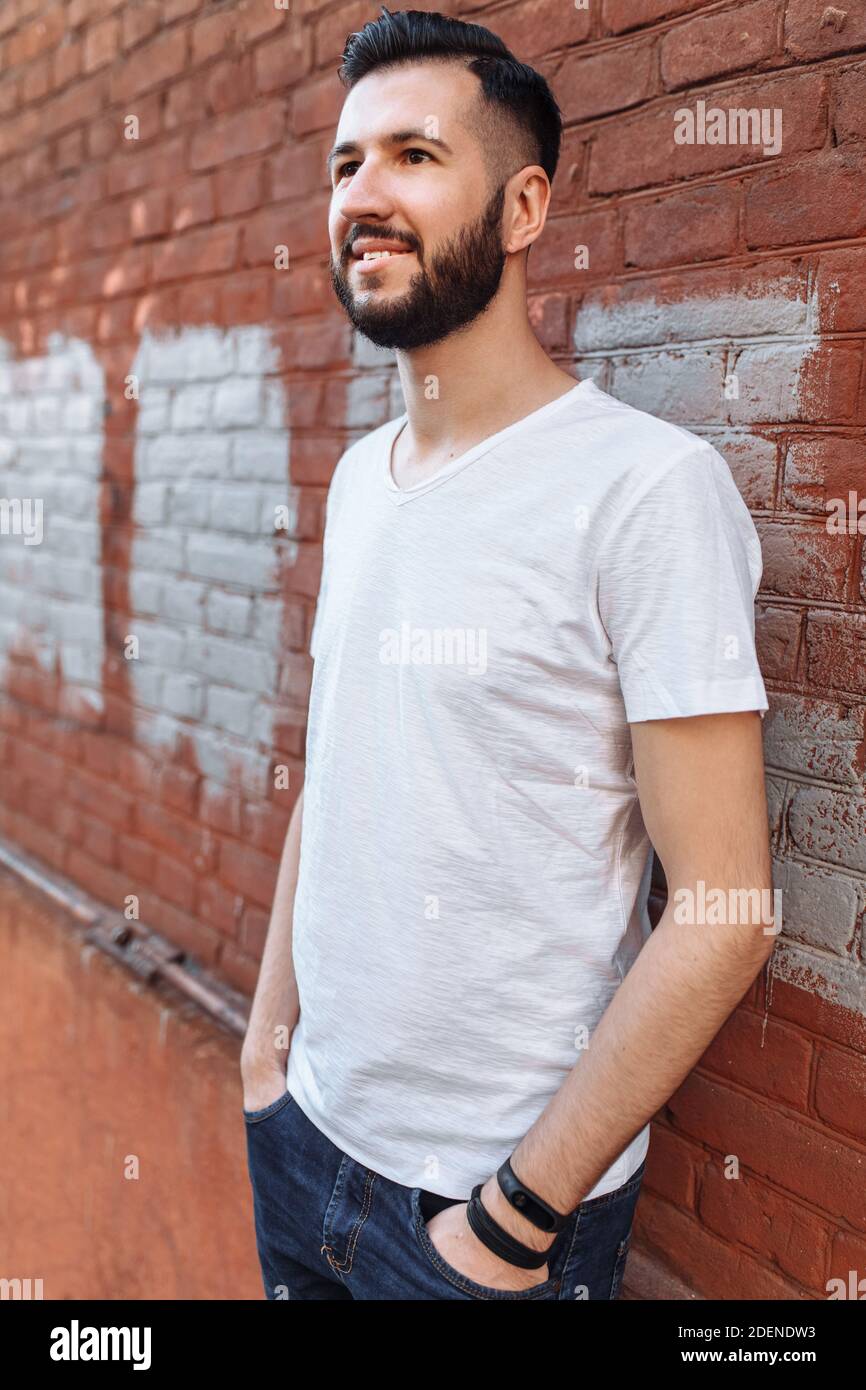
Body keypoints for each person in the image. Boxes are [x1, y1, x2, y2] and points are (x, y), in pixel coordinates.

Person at [240, 7, 774, 1301]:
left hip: (485, 1214)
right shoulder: (362, 478)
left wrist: (511, 1216)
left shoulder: (645, 491)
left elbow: (722, 906)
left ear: (524, 205)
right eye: (344, 164)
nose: (361, 194)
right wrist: (266, 1051)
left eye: (413, 155)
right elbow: (336, 763)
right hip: (305, 1134)